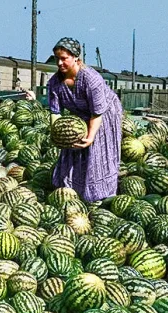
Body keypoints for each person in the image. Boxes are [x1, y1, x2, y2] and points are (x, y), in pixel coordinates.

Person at [48, 37, 123, 202]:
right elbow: (55, 111)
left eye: (64, 58)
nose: (59, 63)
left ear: (75, 57)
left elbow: (97, 113)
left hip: (104, 114)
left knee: (97, 153)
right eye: (57, 58)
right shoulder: (54, 83)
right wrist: (57, 134)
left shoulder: (91, 79)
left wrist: (90, 137)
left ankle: (101, 197)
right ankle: (72, 190)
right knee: (72, 150)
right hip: (80, 115)